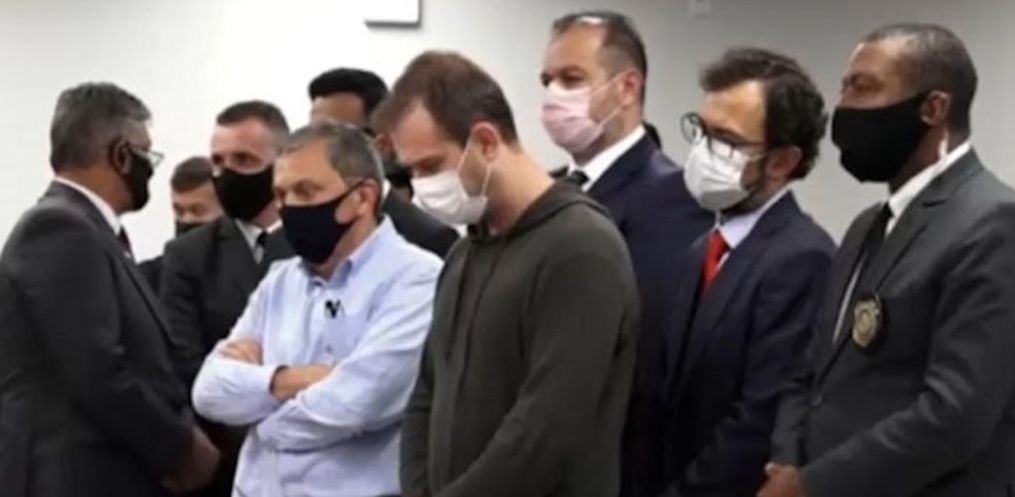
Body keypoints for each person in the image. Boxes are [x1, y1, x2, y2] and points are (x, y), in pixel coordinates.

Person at [763, 24, 1015, 497]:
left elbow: (955, 415)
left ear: (933, 108)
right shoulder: (867, 225)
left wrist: (812, 485)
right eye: (844, 88)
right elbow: (814, 367)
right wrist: (786, 458)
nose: (844, 107)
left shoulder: (993, 222)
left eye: (863, 88)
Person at [373, 50, 639, 497]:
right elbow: (426, 394)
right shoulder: (465, 253)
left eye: (430, 166)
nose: (420, 187)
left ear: (486, 142)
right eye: (412, 170)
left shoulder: (581, 247)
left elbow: (545, 431)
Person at [192, 122, 441, 497]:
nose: (289, 207)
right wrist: (290, 380)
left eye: (306, 191)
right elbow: (208, 391)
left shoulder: (416, 279)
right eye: (281, 194)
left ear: (363, 197)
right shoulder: (280, 281)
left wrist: (260, 415)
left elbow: (355, 403)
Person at [0, 82, 219, 496]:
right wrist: (181, 447)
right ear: (121, 155)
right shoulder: (59, 228)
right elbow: (97, 368)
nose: (149, 170)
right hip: (75, 479)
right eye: (147, 155)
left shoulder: (91, 230)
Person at [539, 11, 712, 496]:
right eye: (547, 81)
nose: (553, 95)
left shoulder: (677, 199)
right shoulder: (547, 195)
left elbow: (646, 357)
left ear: (627, 87)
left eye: (572, 78)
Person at [656, 48, 835, 497]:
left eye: (726, 140)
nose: (703, 152)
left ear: (782, 161)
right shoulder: (702, 249)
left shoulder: (803, 259)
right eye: (702, 131)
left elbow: (758, 424)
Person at [160, 101, 293, 497]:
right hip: (226, 462)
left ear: (281, 163)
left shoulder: (317, 244)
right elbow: (188, 363)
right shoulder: (188, 255)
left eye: (244, 160)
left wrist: (248, 376)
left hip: (316, 457)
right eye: (218, 161)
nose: (226, 173)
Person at [308, 67, 459, 256]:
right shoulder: (295, 233)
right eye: (311, 135)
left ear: (382, 145)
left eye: (334, 137)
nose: (316, 149)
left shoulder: (429, 239)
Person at [138, 156, 223, 289]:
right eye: (179, 211)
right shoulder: (146, 280)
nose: (186, 219)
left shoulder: (248, 274)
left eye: (197, 211)